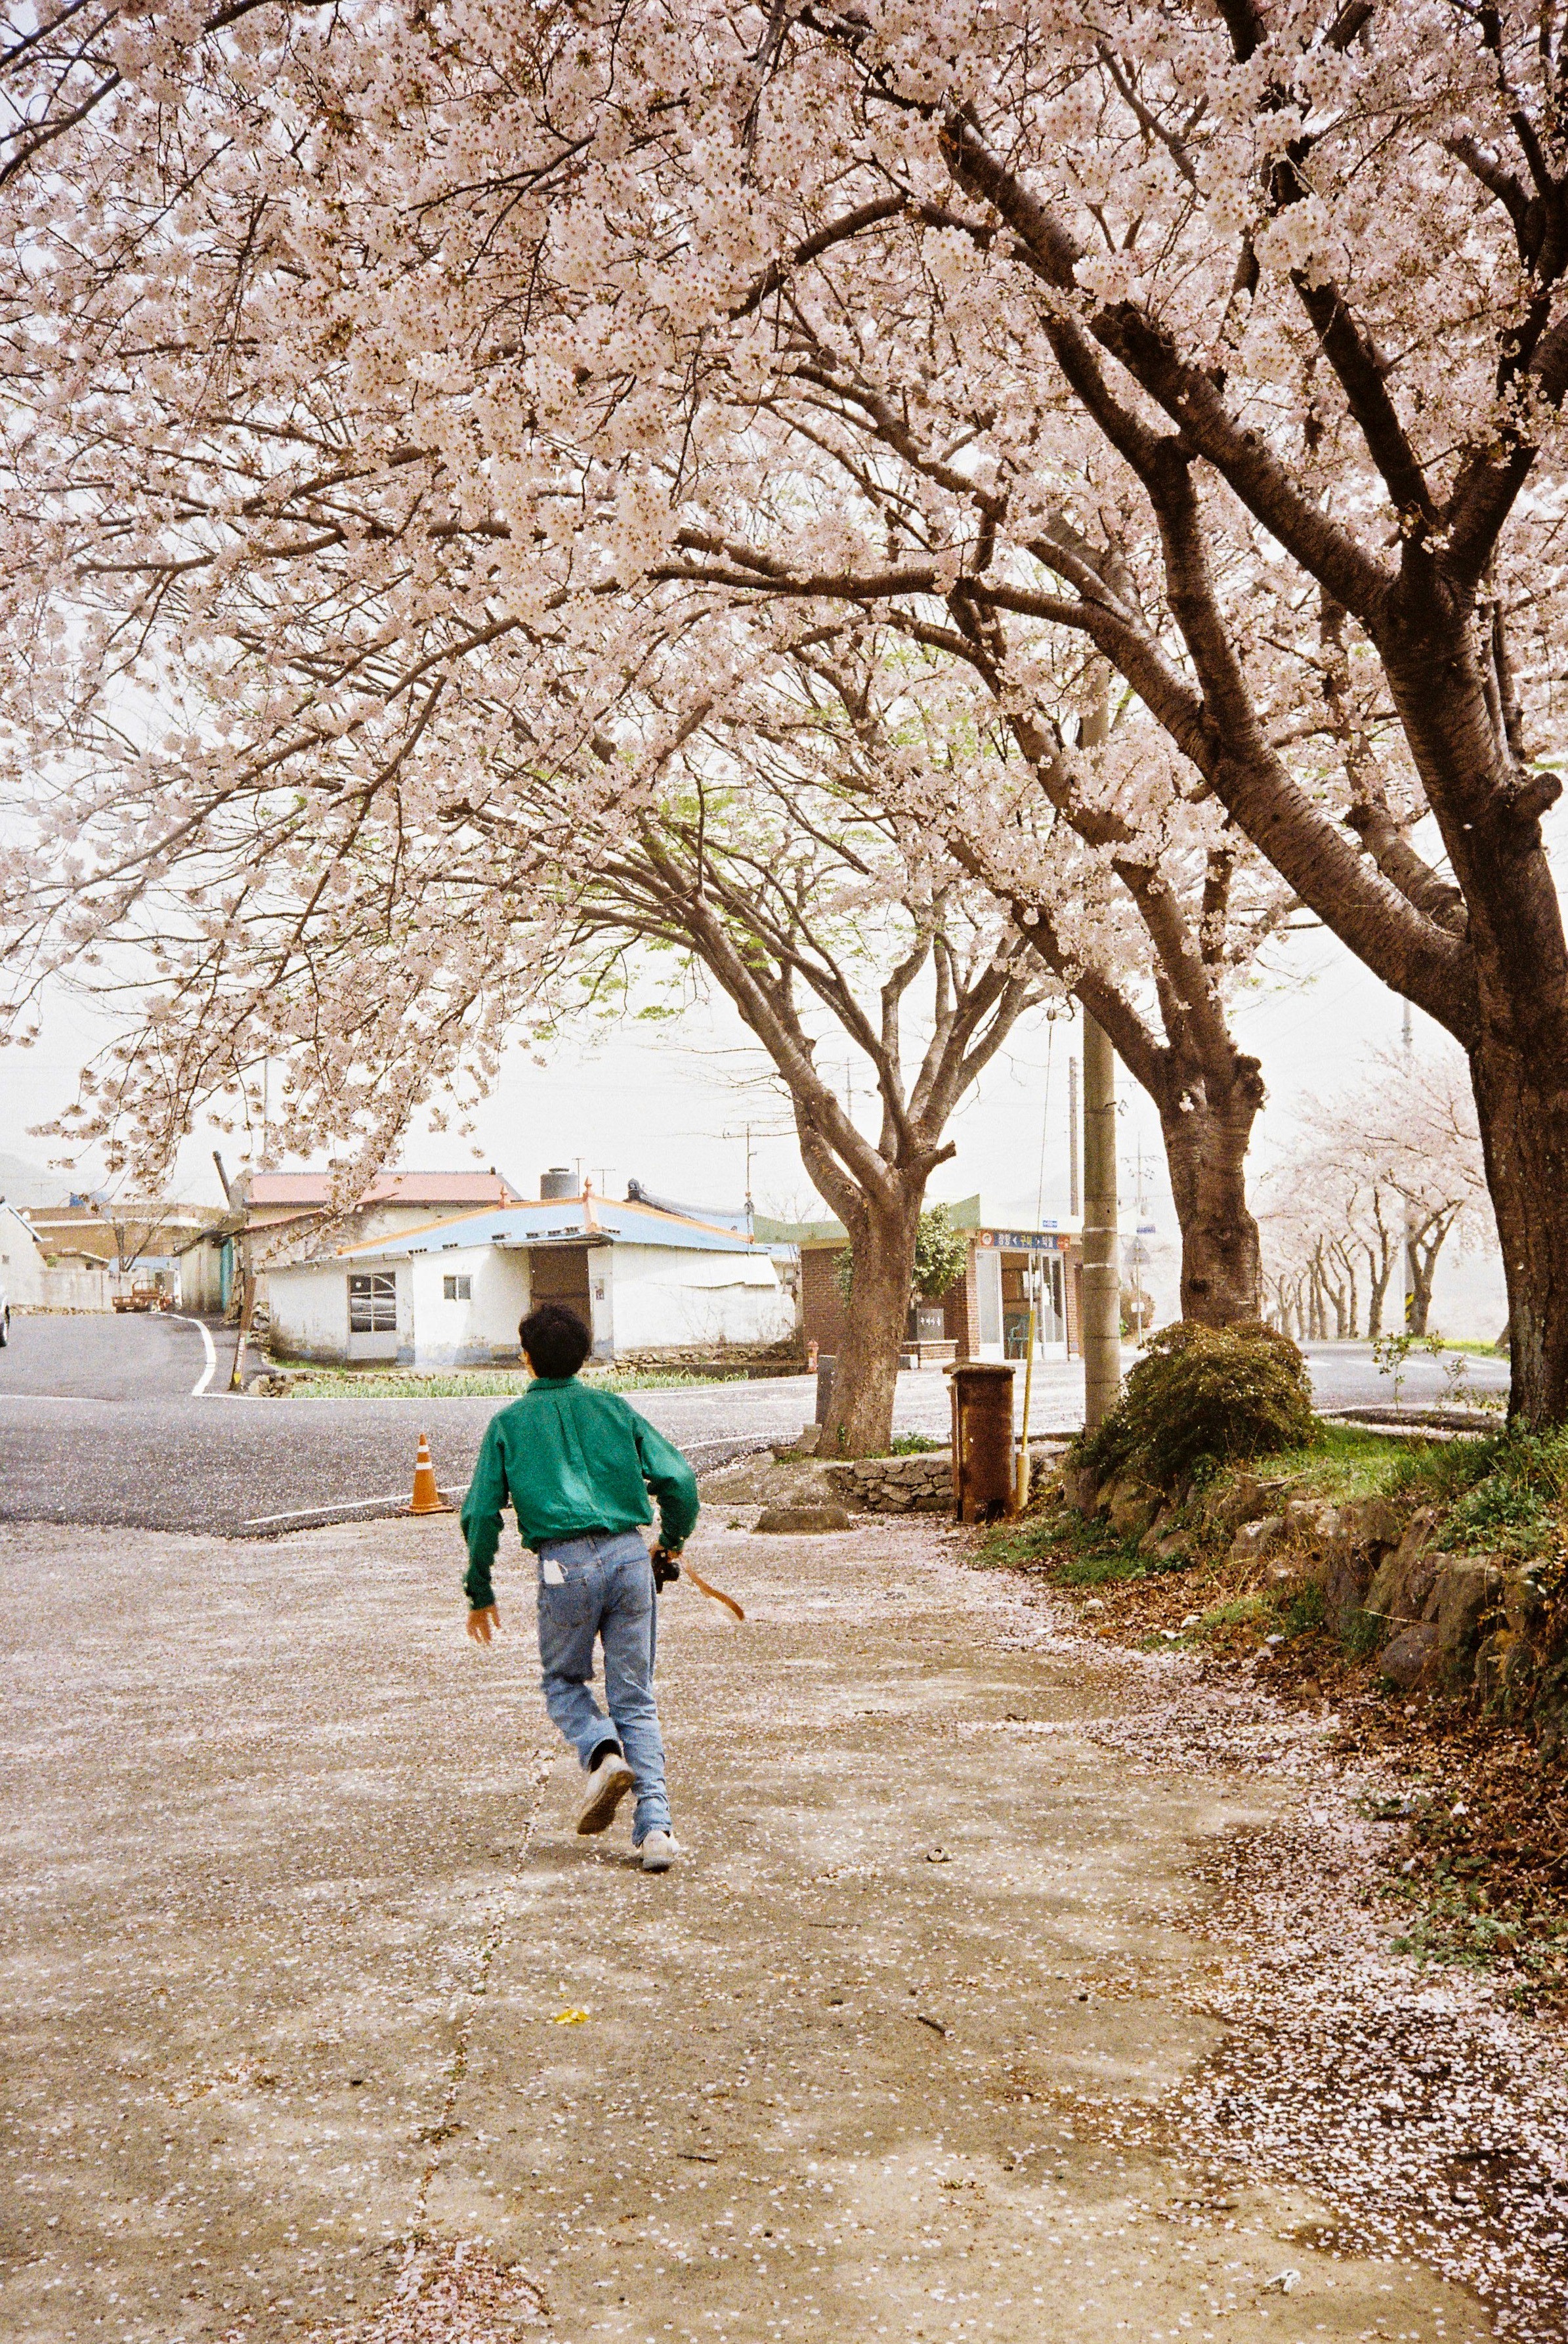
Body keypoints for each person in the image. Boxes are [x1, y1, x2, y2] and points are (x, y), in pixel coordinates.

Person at [461, 1300, 699, 1872]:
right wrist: (670, 1540)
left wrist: (480, 1588)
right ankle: (656, 1829)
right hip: (629, 1558)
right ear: (584, 1356)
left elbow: (480, 1514)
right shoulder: (614, 1408)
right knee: (635, 1696)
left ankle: (601, 1749)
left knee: (563, 1681)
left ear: (526, 1358)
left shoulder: (508, 1424)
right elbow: (679, 1478)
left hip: (562, 1565)